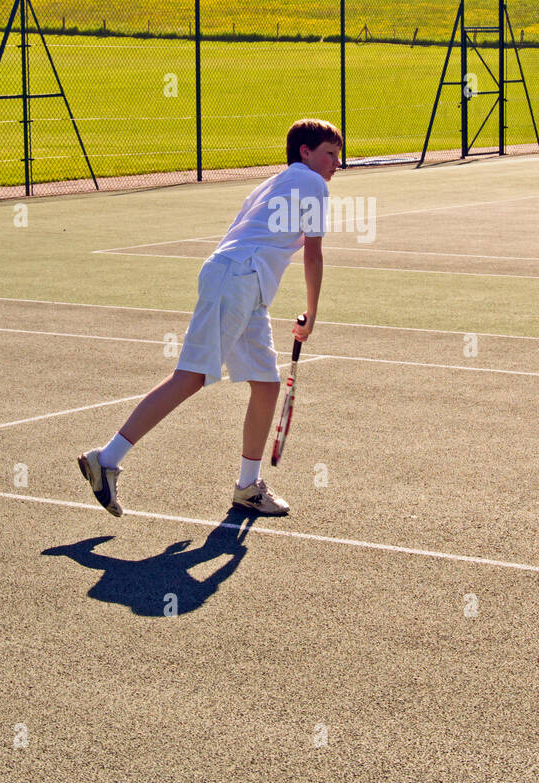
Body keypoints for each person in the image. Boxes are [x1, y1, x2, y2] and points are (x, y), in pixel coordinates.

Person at [78, 118, 342, 518]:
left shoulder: (269, 186)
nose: (335, 163)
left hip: (242, 283)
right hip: (237, 280)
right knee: (191, 376)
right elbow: (313, 253)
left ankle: (248, 487)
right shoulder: (311, 184)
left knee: (268, 384)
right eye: (330, 154)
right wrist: (313, 314)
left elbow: (248, 235)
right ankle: (107, 458)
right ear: (305, 153)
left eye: (338, 156)